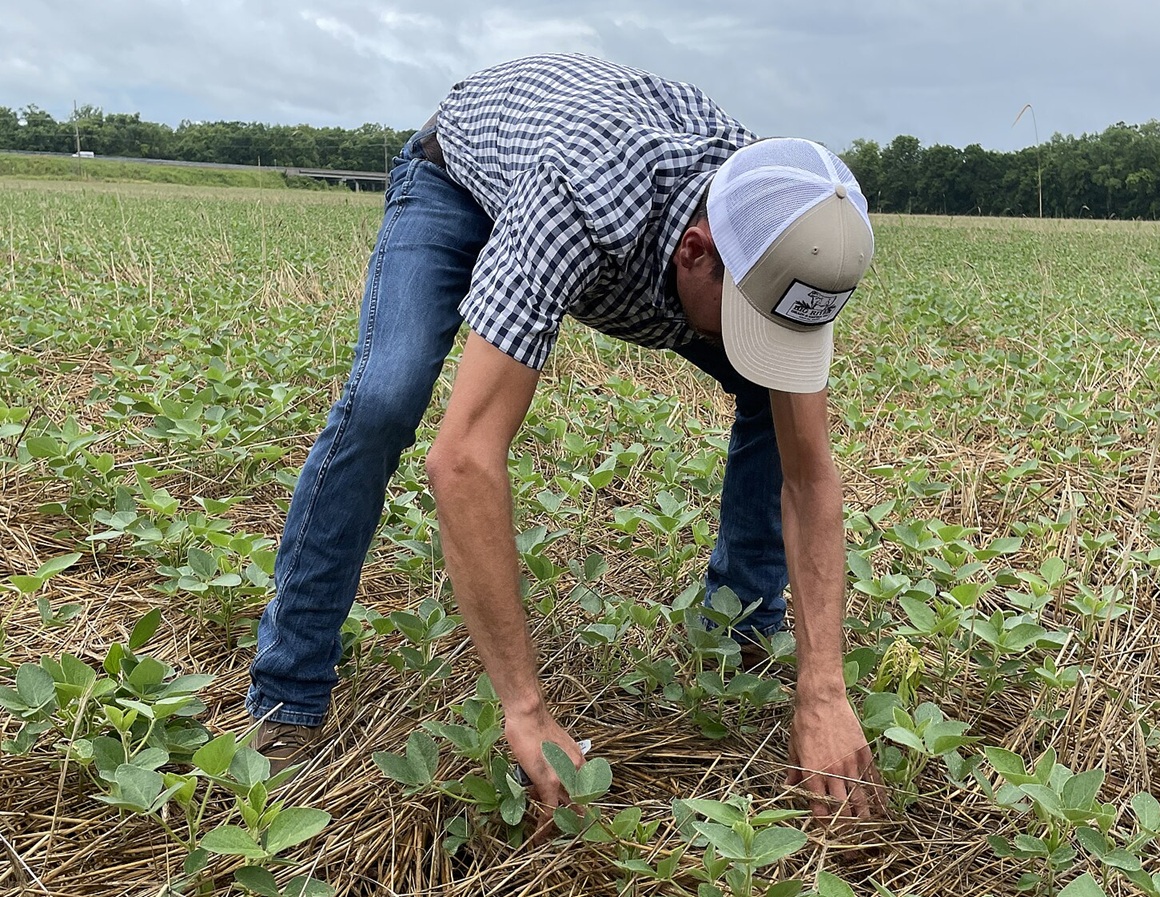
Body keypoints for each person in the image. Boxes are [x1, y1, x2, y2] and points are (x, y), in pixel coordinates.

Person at [246, 53, 882, 821]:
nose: (763, 342)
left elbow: (811, 477)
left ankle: (742, 632)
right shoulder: (585, 195)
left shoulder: (784, 225)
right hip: (460, 180)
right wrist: (523, 706)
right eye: (750, 323)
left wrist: (825, 687)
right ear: (694, 252)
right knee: (386, 397)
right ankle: (288, 687)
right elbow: (465, 459)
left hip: (607, 196)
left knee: (768, 393)